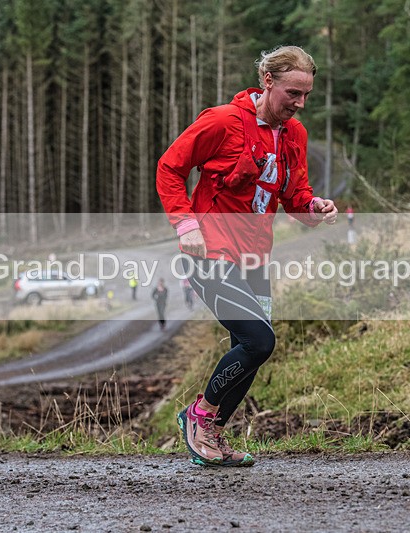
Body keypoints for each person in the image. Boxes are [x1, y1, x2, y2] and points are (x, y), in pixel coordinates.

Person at [156, 45, 337, 467]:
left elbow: (295, 197)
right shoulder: (222, 121)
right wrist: (185, 224)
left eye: (306, 95)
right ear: (268, 81)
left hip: (255, 260)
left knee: (250, 349)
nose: (300, 103)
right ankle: (198, 416)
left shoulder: (295, 135)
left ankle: (212, 434)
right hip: (210, 252)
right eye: (293, 93)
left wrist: (315, 207)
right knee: (259, 340)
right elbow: (169, 167)